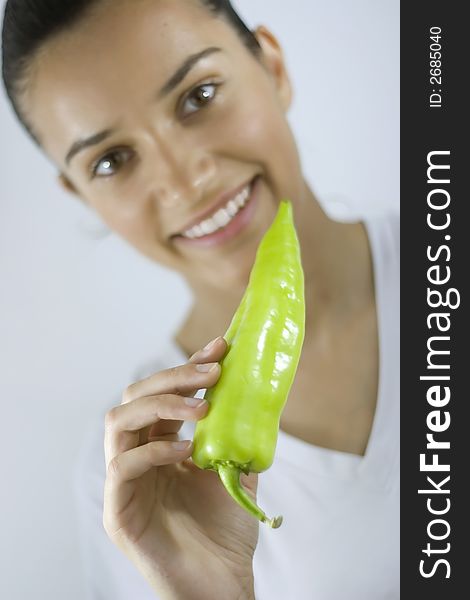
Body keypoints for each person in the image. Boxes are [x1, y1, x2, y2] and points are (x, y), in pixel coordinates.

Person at [1, 0, 399, 598]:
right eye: (112, 160)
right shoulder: (131, 480)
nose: (185, 179)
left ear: (273, 67)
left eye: (199, 95)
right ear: (81, 193)